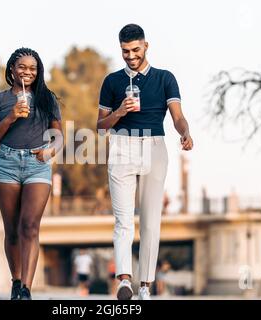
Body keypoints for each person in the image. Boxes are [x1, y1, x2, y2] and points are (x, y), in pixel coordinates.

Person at [96, 24, 193, 300]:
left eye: (135, 50)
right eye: (125, 51)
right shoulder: (112, 82)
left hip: (154, 146)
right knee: (123, 220)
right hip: (122, 145)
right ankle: (124, 281)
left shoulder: (165, 78)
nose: (130, 56)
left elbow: (177, 116)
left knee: (151, 220)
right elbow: (101, 126)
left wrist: (185, 132)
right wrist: (118, 112)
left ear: (146, 46)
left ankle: (145, 286)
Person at [0, 47, 63, 300]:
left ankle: (26, 289)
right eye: (22, 67)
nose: (28, 72)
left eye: (33, 68)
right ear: (11, 70)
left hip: (37, 163)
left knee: (29, 226)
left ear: (38, 72)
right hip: (6, 163)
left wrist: (51, 151)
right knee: (13, 230)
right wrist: (11, 117)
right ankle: (16, 281)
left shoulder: (47, 99)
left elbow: (59, 136)